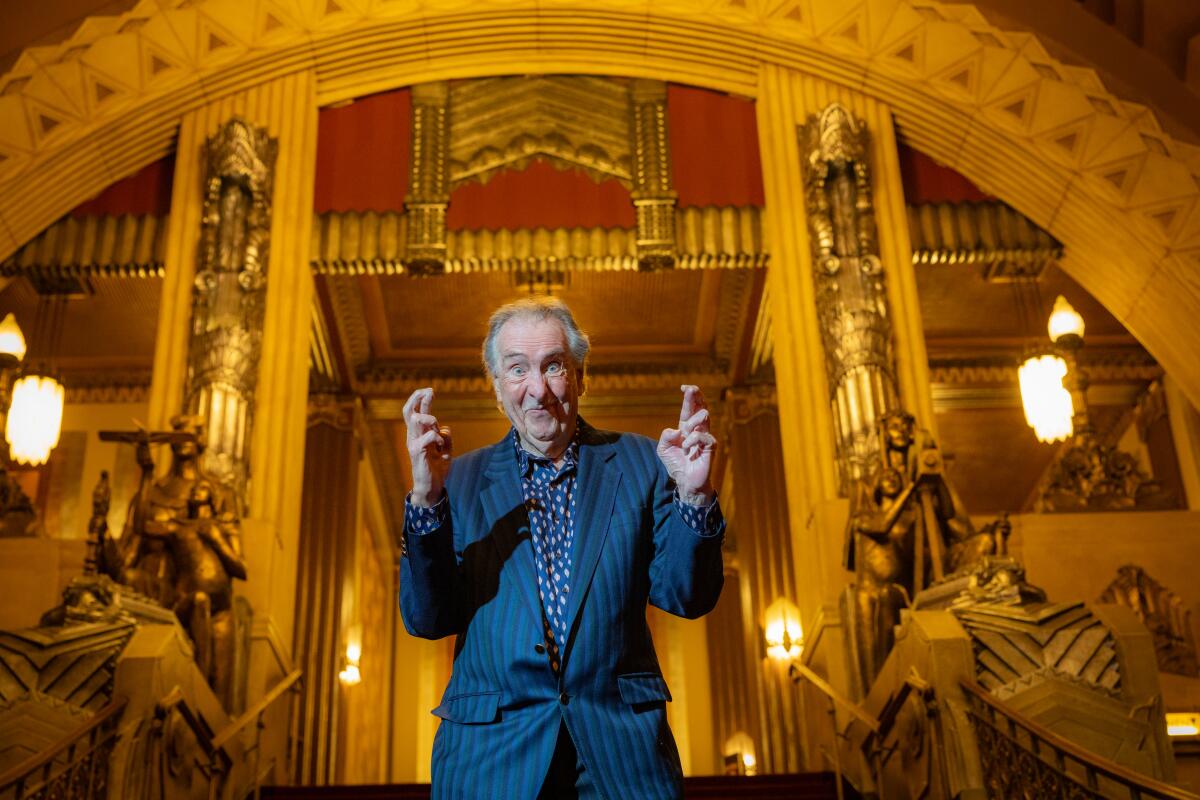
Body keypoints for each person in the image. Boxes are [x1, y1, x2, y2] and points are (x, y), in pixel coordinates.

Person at [399, 297, 725, 800]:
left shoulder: (642, 462)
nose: (538, 389)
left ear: (579, 376)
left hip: (622, 756)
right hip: (491, 758)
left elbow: (687, 597)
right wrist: (425, 500)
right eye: (517, 369)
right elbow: (427, 619)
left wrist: (695, 496)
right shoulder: (457, 481)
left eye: (553, 366)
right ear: (497, 387)